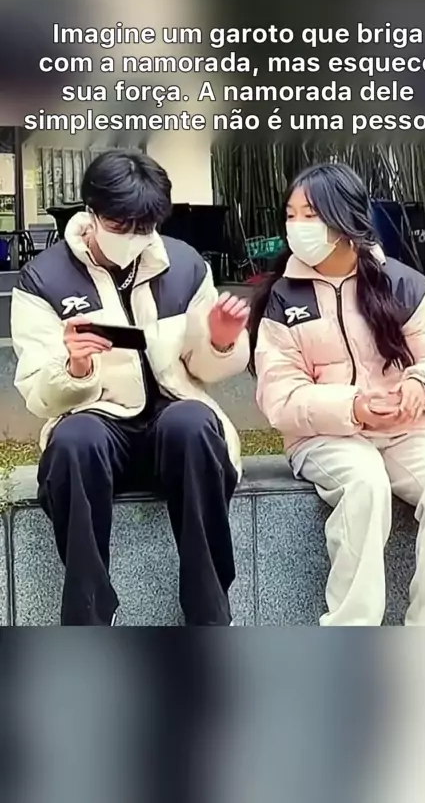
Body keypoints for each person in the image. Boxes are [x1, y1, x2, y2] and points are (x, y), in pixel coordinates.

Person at [11, 149, 250, 626]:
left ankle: (210, 614)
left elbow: (203, 368)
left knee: (195, 423)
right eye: (120, 225)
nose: (133, 238)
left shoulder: (184, 265)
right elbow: (37, 392)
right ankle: (90, 619)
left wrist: (220, 340)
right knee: (73, 441)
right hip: (98, 424)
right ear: (92, 213)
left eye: (145, 227)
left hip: (171, 418)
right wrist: (76, 367)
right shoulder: (44, 279)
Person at [249, 162, 425, 626]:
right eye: (291, 215)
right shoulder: (284, 298)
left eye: (310, 215)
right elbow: (280, 396)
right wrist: (351, 406)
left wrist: (420, 384)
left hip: (407, 431)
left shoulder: (405, 285)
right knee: (365, 484)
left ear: (344, 218)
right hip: (325, 436)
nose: (297, 227)